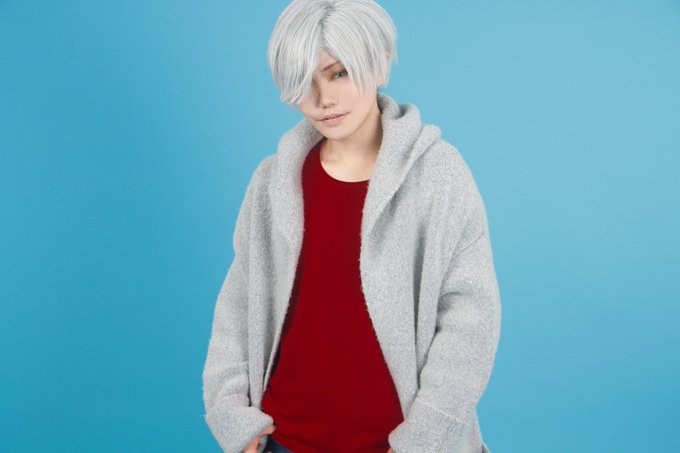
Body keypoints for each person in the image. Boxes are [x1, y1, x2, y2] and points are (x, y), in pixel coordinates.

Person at [201, 1, 501, 452]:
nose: (323, 99)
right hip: (284, 440)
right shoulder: (273, 182)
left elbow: (470, 319)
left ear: (379, 64)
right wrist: (231, 416)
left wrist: (425, 438)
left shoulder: (437, 174)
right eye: (305, 82)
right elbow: (238, 306)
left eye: (338, 73)